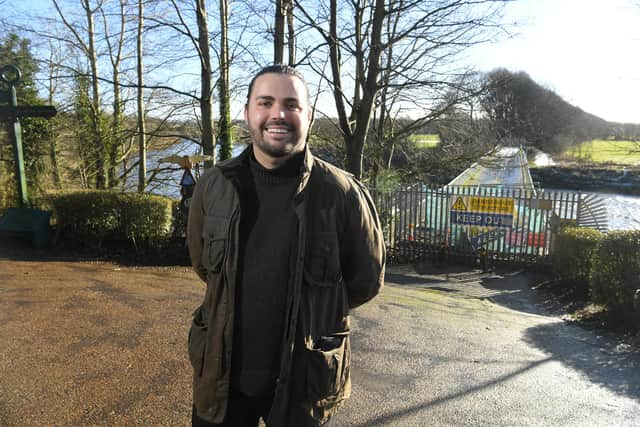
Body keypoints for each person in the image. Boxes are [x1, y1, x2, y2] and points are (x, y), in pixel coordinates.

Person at [186, 65, 386, 427]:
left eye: (291, 104)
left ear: (307, 115)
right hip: (221, 382)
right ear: (247, 113)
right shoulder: (213, 187)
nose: (278, 113)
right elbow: (204, 266)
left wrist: (315, 308)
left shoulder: (343, 194)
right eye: (266, 102)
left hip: (304, 386)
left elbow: (365, 281)